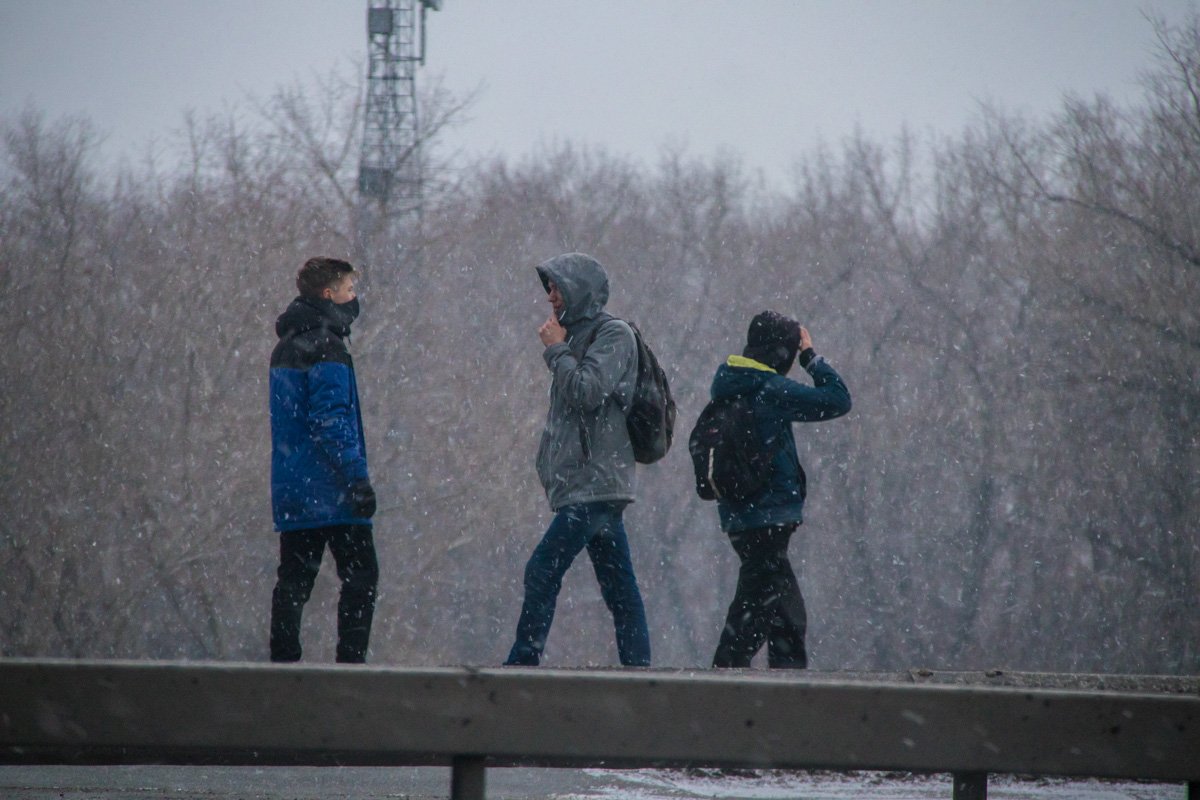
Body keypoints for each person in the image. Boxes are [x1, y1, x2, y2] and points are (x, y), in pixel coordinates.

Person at [504, 253, 652, 667]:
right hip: (586, 486)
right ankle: (640, 671)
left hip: (596, 484)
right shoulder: (576, 336)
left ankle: (522, 663)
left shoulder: (615, 335)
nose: (551, 297)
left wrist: (556, 352)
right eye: (548, 287)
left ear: (579, 290)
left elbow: (587, 391)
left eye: (557, 287)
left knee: (542, 569)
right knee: (619, 587)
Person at [709, 310, 851, 669]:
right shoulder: (769, 389)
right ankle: (720, 686)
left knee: (786, 615)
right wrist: (811, 357)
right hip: (767, 518)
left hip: (740, 516)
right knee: (753, 613)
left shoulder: (731, 382)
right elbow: (837, 399)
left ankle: (785, 687)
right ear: (779, 352)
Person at [268, 257, 379, 664]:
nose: (355, 297)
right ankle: (350, 667)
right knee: (361, 577)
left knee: (294, 581)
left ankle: (283, 667)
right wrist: (357, 479)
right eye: (349, 288)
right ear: (328, 294)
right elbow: (331, 422)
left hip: (293, 488)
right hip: (333, 491)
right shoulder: (329, 346)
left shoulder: (285, 346)